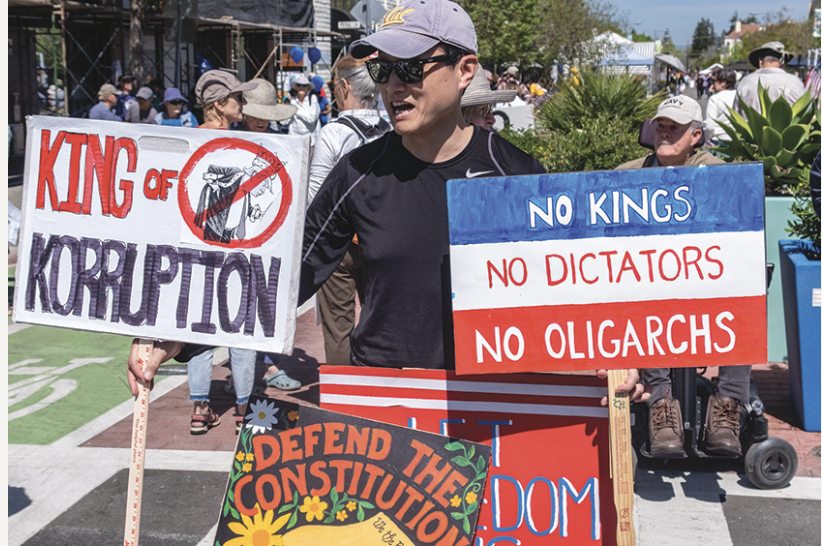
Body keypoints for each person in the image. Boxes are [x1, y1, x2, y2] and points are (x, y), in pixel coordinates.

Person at [128, 0, 647, 408]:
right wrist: (173, 336)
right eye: (383, 70)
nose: (394, 84)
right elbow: (286, 277)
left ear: (465, 70)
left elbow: (581, 292)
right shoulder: (358, 172)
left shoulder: (518, 174)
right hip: (387, 400)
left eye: (413, 67)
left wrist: (623, 358)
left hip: (490, 400)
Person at [617, 95, 749, 458]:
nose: (664, 132)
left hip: (705, 278)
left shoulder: (719, 173)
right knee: (646, 295)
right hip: (651, 279)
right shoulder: (627, 174)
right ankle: (661, 404)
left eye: (674, 127)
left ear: (695, 136)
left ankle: (728, 406)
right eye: (660, 125)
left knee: (747, 291)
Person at [307, 54, 392, 364]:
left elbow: (315, 196)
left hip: (339, 245)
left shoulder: (332, 133)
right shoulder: (390, 130)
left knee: (338, 329)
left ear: (344, 86)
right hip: (381, 237)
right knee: (380, 320)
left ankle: (343, 388)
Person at [229, 76, 302, 391]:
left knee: (268, 303)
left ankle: (269, 366)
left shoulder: (284, 143)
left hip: (272, 235)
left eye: (266, 115)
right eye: (256, 114)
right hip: (233, 235)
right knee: (234, 305)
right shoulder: (227, 140)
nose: (262, 121)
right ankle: (241, 375)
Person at [734, 41, 805, 114]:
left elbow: (735, 114)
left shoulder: (746, 82)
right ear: (783, 62)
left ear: (760, 62)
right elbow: (805, 111)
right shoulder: (794, 82)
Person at [703, 68, 737, 145]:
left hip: (718, 140)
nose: (713, 84)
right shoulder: (739, 96)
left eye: (715, 81)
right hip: (736, 140)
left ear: (723, 83)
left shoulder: (715, 99)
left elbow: (709, 126)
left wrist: (705, 140)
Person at [288, 74, 321, 147]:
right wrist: (285, 107)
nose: (301, 87)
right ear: (296, 87)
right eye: (299, 85)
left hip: (309, 141)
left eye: (304, 85)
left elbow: (311, 118)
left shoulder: (312, 99)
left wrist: (295, 109)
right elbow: (284, 122)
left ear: (308, 87)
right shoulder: (292, 101)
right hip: (293, 140)